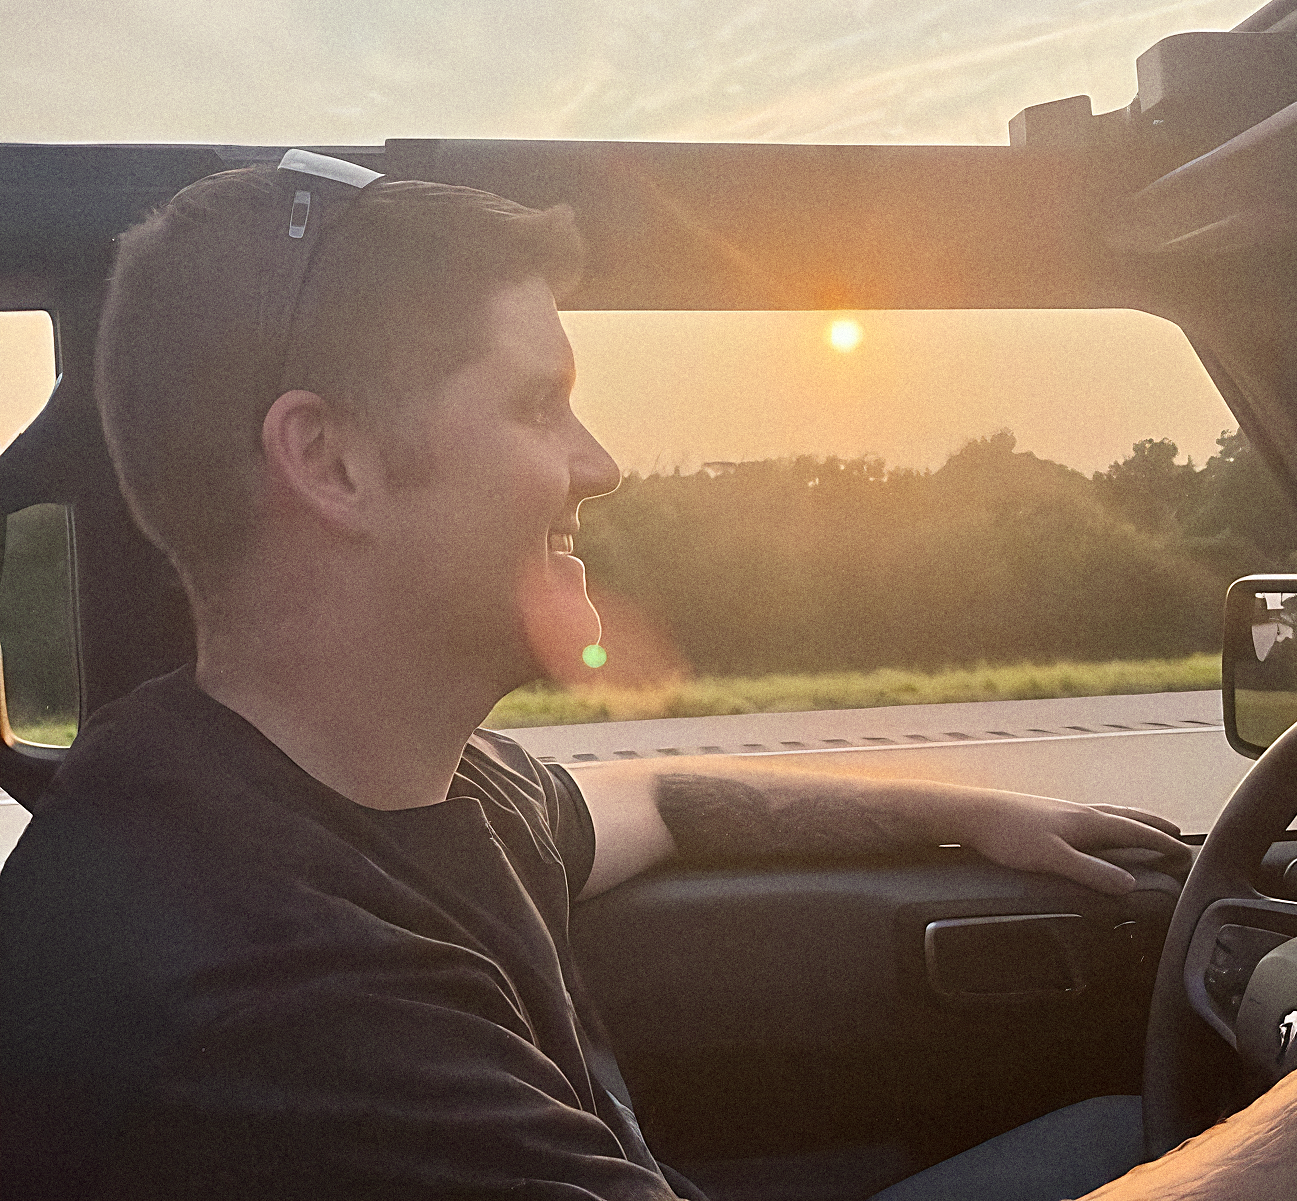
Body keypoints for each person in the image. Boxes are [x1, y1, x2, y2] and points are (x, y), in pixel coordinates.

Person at [0, 151, 1209, 1200]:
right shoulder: (271, 998)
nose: (603, 464)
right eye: (540, 405)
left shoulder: (358, 783)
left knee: (1127, 1130)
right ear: (333, 462)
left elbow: (653, 801)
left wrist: (972, 811)